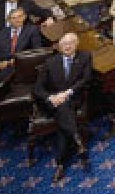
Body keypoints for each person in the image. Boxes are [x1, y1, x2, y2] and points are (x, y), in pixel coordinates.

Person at [34, 33, 92, 182]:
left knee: (63, 119)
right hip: (53, 102)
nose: (67, 46)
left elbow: (86, 80)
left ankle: (60, 165)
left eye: (71, 43)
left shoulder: (85, 57)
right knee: (63, 111)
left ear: (77, 44)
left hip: (73, 99)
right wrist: (50, 97)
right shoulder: (50, 62)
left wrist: (67, 93)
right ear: (59, 47)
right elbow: (38, 88)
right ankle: (77, 139)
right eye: (64, 44)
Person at [0, 7, 44, 111]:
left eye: (20, 16)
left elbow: (37, 51)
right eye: (13, 18)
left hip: (22, 67)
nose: (17, 20)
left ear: (24, 17)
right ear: (8, 20)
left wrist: (18, 60)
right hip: (1, 67)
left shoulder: (32, 30)